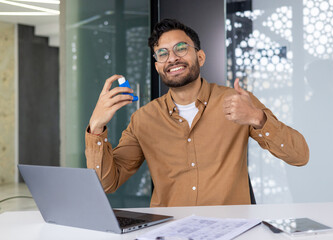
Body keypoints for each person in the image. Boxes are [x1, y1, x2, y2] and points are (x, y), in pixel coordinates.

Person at [85, 19, 309, 207]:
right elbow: (106, 183)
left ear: (200, 57)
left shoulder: (237, 101)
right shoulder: (144, 118)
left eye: (181, 48)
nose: (172, 58)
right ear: (157, 66)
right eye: (162, 53)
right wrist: (96, 128)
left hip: (231, 231)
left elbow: (299, 156)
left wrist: (257, 118)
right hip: (168, 231)